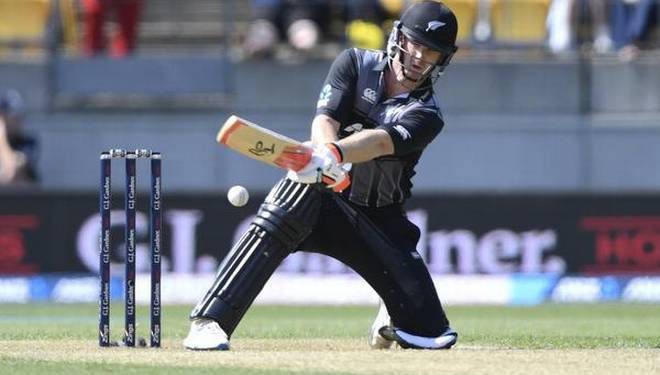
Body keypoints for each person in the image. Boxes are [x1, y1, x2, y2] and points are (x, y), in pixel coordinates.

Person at [184, 1, 459, 351]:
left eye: (432, 51)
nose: (420, 56)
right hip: (321, 197)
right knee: (294, 193)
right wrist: (323, 156)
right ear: (398, 39)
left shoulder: (427, 114)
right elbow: (325, 119)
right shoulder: (355, 63)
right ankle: (210, 320)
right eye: (416, 44)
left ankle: (393, 313)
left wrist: (334, 155)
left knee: (430, 334)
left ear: (442, 59)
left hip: (378, 219)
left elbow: (379, 142)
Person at [0, 90, 38, 185]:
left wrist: (1, 138)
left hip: (22, 198)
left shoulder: (28, 143)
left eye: (20, 116)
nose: (19, 121)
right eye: (14, 116)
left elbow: (11, 173)